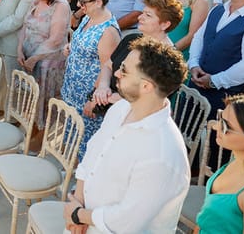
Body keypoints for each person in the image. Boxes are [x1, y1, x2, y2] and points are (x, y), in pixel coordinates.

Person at [62, 37, 190, 233]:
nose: (116, 73)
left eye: (124, 70)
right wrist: (78, 202)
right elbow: (92, 154)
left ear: (146, 86)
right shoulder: (121, 108)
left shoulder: (163, 154)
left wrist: (78, 215)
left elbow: (127, 221)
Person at [60, 0, 120, 159]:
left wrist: (92, 99)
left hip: (87, 96)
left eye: (83, 1)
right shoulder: (89, 17)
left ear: (98, 2)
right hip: (72, 90)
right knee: (71, 137)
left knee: (85, 144)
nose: (79, 4)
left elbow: (106, 68)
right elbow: (87, 46)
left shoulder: (108, 31)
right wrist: (72, 47)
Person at [195, 94, 244, 234]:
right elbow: (206, 217)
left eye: (225, 126)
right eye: (220, 117)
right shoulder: (236, 161)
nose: (216, 126)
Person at [17, 0, 71, 151]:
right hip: (29, 57)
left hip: (48, 61)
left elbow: (56, 38)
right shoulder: (36, 0)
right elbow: (25, 26)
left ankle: (40, 138)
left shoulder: (60, 5)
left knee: (44, 102)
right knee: (29, 99)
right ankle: (29, 130)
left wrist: (35, 58)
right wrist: (19, 50)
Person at [101, 0, 184, 111]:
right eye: (143, 13)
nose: (140, 18)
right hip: (106, 102)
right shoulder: (131, 39)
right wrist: (102, 87)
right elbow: (108, 65)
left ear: (165, 24)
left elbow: (153, 98)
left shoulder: (168, 59)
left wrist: (116, 98)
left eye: (148, 15)